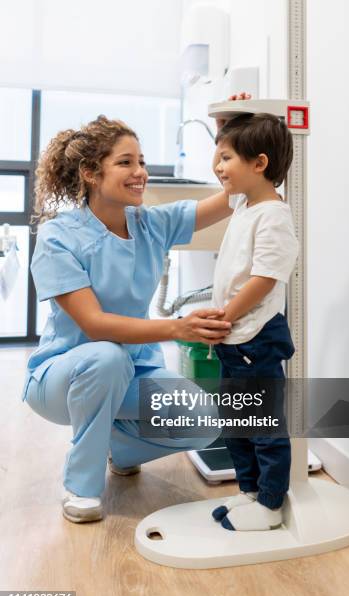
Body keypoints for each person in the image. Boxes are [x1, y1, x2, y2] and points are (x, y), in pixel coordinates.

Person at [22, 112, 236, 523]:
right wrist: (178, 327)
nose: (140, 173)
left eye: (142, 162)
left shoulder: (152, 224)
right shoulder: (58, 237)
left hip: (134, 373)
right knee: (107, 356)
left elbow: (232, 196)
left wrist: (233, 129)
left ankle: (116, 447)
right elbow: (95, 325)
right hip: (62, 378)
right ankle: (82, 488)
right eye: (125, 163)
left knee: (206, 422)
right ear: (89, 172)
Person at [210, 111, 299, 531]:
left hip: (255, 339)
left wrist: (224, 317)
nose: (218, 166)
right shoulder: (244, 204)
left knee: (263, 426)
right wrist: (228, 119)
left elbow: (264, 279)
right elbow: (230, 144)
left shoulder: (273, 216)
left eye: (226, 158)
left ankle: (269, 504)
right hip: (233, 339)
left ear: (259, 163)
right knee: (236, 424)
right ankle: (249, 491)